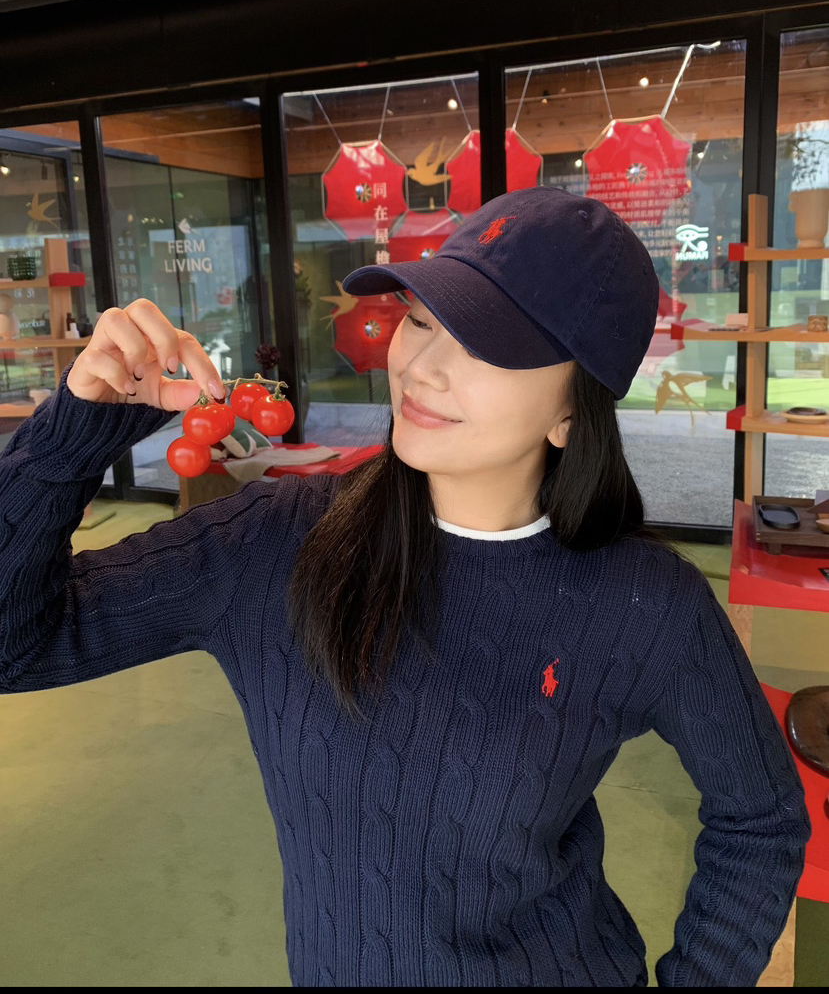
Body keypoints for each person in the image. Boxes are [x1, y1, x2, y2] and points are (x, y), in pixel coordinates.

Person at [0, 187, 810, 987]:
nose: (422, 368)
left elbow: (760, 820)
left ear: (572, 412)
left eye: (486, 343)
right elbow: (16, 648)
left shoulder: (645, 603)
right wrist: (74, 433)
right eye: (421, 319)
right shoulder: (273, 541)